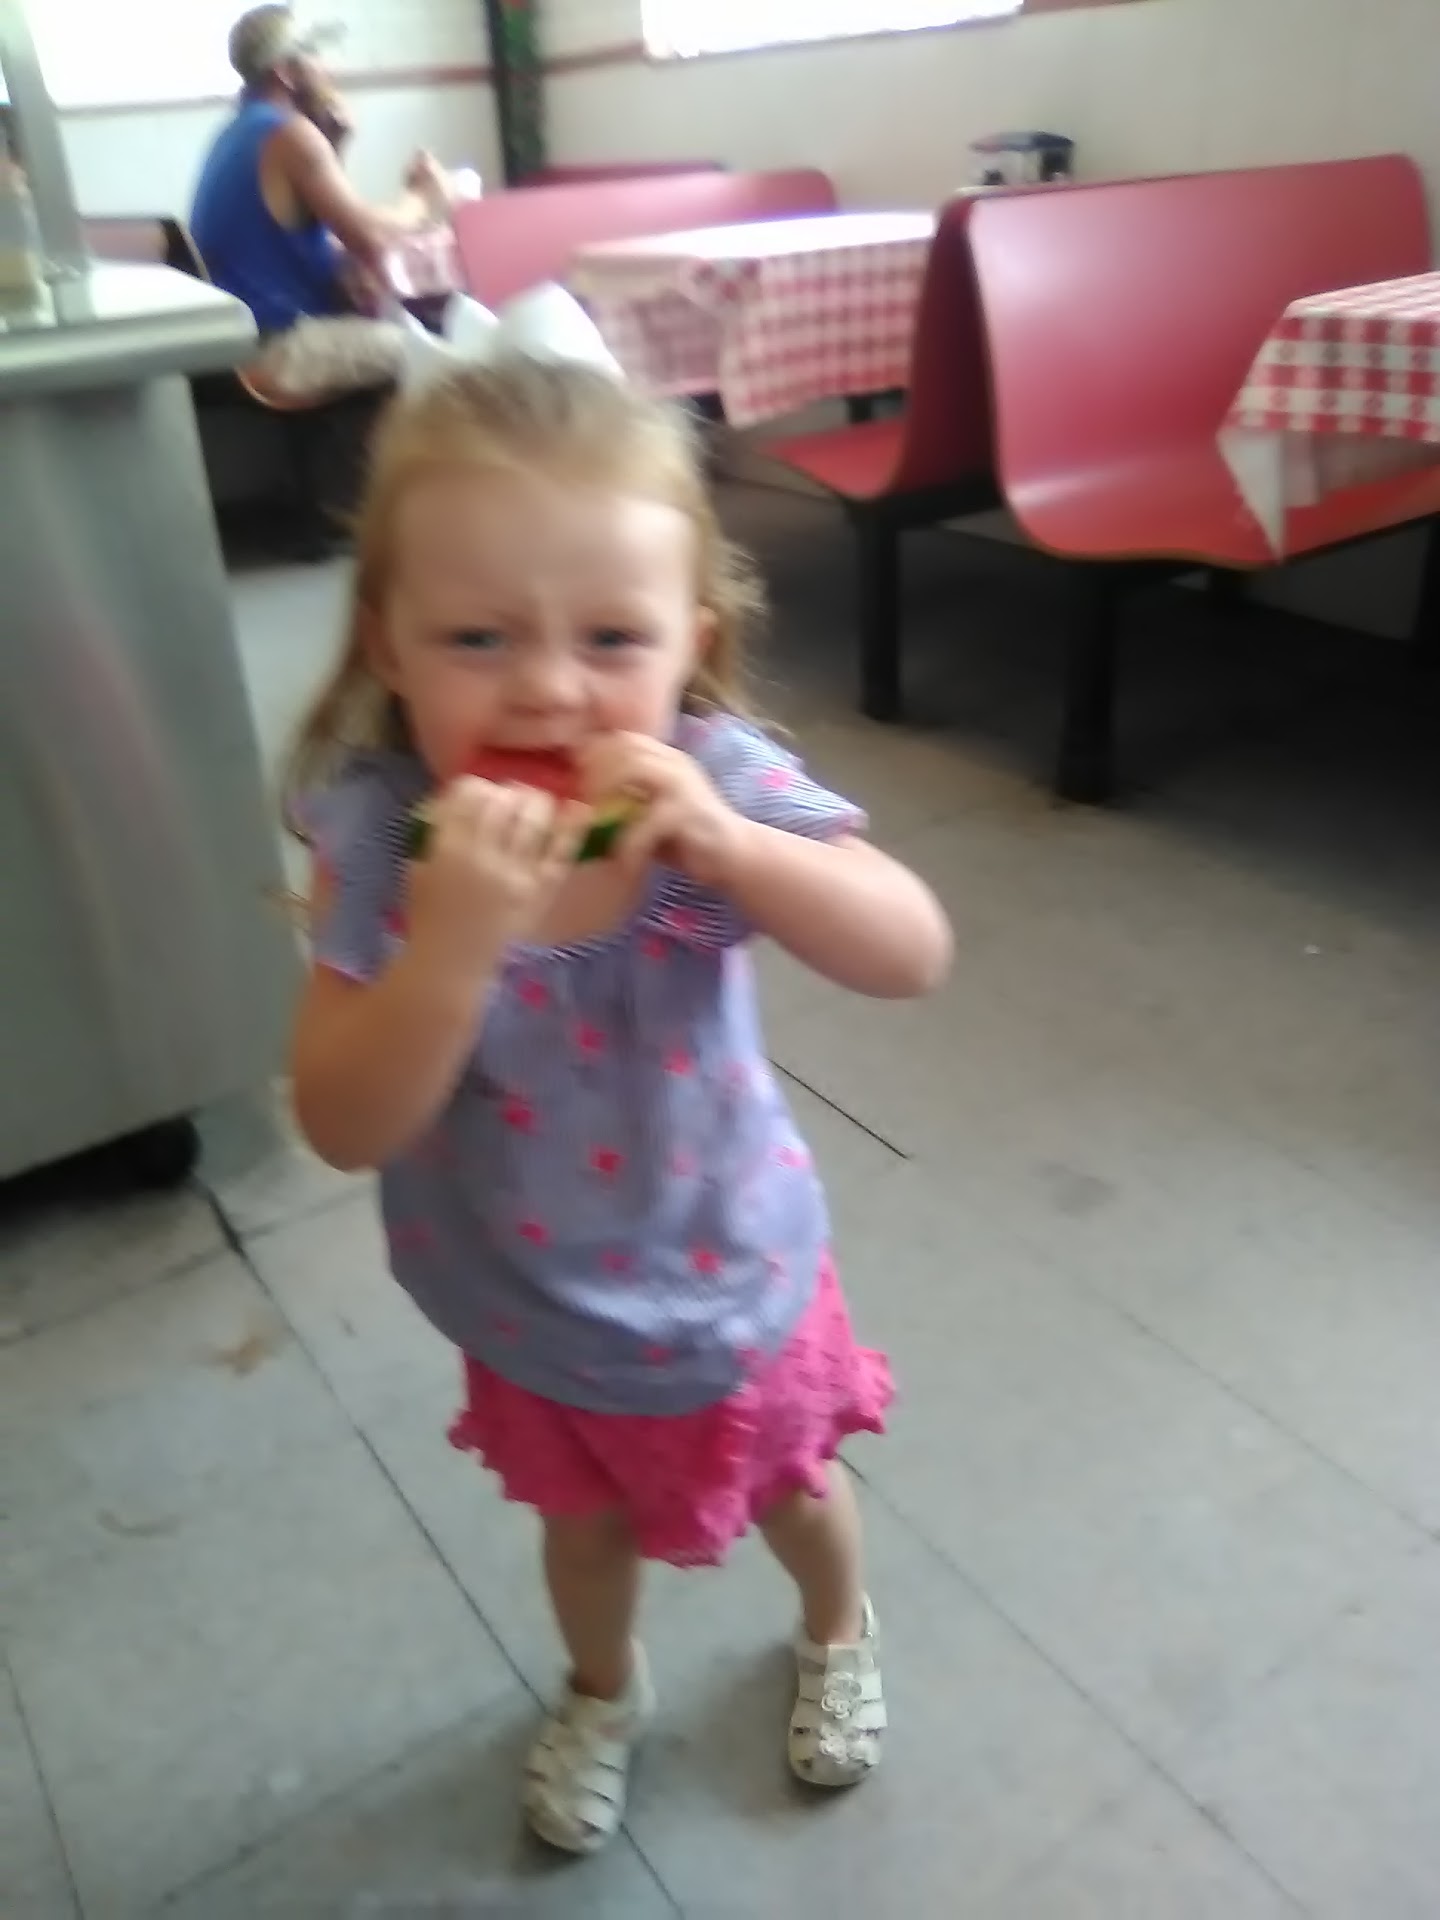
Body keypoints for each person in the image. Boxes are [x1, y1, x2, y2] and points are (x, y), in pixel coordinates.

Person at [286, 295, 953, 1855]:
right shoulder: (380, 835)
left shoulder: (714, 786)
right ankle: (602, 1686)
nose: (547, 692)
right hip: (527, 1298)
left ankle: (838, 1629)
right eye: (478, 638)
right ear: (388, 642)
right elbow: (340, 1121)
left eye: (610, 639)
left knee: (798, 1493)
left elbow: (912, 949)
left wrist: (738, 850)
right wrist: (449, 949)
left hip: (733, 1272)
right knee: (582, 1532)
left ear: (690, 642)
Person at [190, 5, 454, 400]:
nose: (328, 68)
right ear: (285, 72)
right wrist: (422, 196)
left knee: (407, 329)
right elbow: (371, 239)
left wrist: (335, 145)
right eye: (314, 55)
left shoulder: (237, 131)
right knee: (439, 356)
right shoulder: (290, 134)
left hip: (245, 346)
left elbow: (324, 227)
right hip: (280, 347)